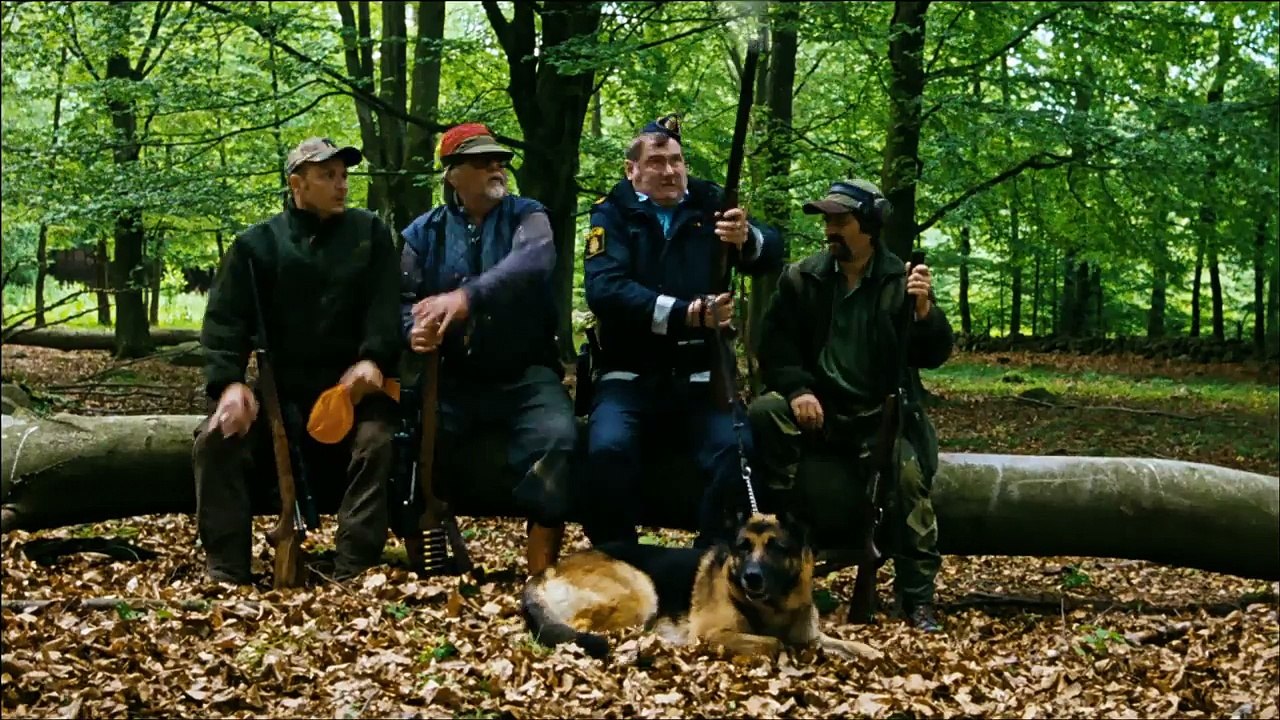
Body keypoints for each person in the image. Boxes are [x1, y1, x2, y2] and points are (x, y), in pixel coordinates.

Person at [748, 178, 954, 632]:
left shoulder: (899, 281)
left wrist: (923, 313)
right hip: (817, 409)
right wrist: (799, 389)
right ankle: (786, 536)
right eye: (827, 220)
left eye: (841, 221)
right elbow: (775, 348)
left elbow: (934, 353)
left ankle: (917, 600)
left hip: (878, 419)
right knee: (765, 413)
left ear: (871, 224)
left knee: (908, 483)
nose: (830, 229)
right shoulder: (803, 277)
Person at [193, 137, 402, 584]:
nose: (341, 185)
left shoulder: (370, 235)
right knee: (215, 439)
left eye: (344, 175)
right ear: (297, 184)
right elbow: (224, 324)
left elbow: (386, 308)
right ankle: (227, 569)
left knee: (379, 441)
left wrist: (374, 359)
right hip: (278, 396)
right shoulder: (255, 246)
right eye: (328, 175)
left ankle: (354, 568)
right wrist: (230, 385)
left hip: (354, 393)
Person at [582, 114, 783, 547]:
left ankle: (707, 564)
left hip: (701, 376)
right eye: (656, 162)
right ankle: (620, 561)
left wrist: (747, 239)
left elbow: (771, 251)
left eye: (677, 160)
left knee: (738, 452)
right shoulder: (611, 213)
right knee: (606, 452)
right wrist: (686, 313)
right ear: (631, 169)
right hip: (629, 374)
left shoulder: (711, 202)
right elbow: (605, 290)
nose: (670, 171)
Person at [399, 122, 576, 575]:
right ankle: (432, 557)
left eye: (500, 159)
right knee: (404, 443)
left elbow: (533, 261)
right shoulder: (422, 234)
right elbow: (399, 302)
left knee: (558, 439)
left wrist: (465, 298)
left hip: (526, 373)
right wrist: (412, 331)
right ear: (452, 173)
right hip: (451, 379)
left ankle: (541, 575)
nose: (497, 167)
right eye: (482, 161)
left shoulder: (528, 215)